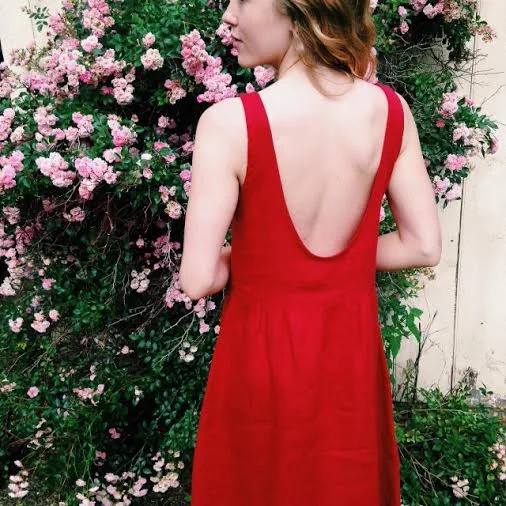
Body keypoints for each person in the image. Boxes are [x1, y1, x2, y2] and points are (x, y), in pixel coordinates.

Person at [180, 0, 442, 504]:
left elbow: (197, 278)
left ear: (297, 8)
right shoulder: (389, 112)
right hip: (348, 365)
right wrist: (337, 265)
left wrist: (263, 258)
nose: (228, 16)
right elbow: (422, 245)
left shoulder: (229, 124)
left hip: (259, 364)